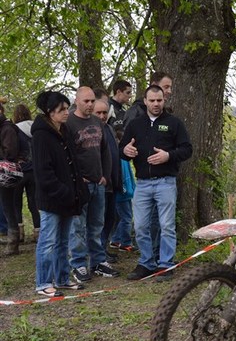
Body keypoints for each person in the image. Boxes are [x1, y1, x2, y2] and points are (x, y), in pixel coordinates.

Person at [120, 84, 192, 281]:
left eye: (159, 100)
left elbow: (187, 149)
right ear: (145, 101)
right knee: (141, 226)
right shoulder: (135, 124)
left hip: (165, 182)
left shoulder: (174, 123)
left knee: (166, 225)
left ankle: (166, 265)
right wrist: (126, 151)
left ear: (164, 100)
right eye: (152, 100)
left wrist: (168, 156)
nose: (156, 104)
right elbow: (122, 150)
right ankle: (146, 263)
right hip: (142, 183)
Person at [32, 91, 89, 295]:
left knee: (63, 242)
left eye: (67, 108)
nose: (67, 113)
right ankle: (44, 282)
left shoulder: (64, 131)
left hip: (68, 198)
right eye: (62, 110)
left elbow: (73, 164)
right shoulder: (40, 136)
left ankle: (63, 278)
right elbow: (43, 172)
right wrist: (63, 191)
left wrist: (77, 191)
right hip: (51, 199)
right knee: (48, 241)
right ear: (50, 112)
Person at [66, 86, 118, 283]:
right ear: (76, 101)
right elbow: (66, 154)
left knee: (97, 224)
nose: (89, 104)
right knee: (77, 226)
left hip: (98, 183)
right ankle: (78, 263)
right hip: (80, 185)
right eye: (86, 101)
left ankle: (98, 261)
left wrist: (105, 175)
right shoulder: (69, 122)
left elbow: (105, 151)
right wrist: (77, 178)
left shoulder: (97, 122)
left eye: (92, 101)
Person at [93, 93, 122, 260]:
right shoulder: (91, 131)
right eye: (99, 113)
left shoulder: (109, 129)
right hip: (99, 183)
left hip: (112, 183)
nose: (102, 116)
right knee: (98, 221)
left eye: (105, 113)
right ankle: (97, 253)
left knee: (110, 218)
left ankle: (103, 247)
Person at [0, 101, 29, 255]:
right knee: (7, 206)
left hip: (7, 173)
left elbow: (10, 153)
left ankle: (13, 242)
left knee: (8, 206)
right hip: (5, 172)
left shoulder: (7, 128)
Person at [12, 103, 40, 242]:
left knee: (16, 202)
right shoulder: (35, 128)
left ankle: (19, 233)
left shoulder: (14, 130)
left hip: (19, 170)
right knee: (33, 202)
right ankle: (38, 231)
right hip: (34, 170)